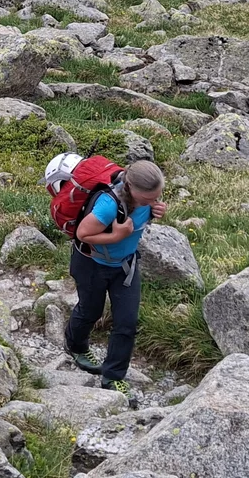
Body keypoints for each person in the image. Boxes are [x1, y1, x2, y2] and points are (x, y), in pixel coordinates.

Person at [65, 160, 167, 394]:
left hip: (125, 266)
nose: (153, 202)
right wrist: (116, 235)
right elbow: (83, 233)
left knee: (127, 323)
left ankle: (112, 376)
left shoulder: (145, 199)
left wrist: (156, 210)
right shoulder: (108, 205)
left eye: (157, 198)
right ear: (130, 188)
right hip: (91, 265)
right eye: (148, 199)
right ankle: (76, 345)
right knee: (91, 311)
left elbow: (144, 211)